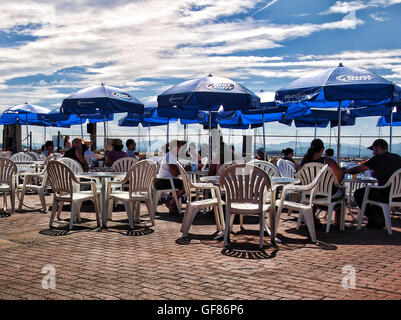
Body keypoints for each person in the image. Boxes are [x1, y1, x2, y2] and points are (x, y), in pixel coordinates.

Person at [346, 139, 401, 229]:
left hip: (385, 194)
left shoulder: (377, 159)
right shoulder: (398, 157)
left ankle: (376, 219)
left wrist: (346, 170)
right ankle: (377, 220)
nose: (373, 153)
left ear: (378, 147)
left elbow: (358, 170)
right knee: (374, 193)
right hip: (398, 195)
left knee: (359, 193)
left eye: (373, 150)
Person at [297, 139, 346, 227]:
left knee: (315, 192)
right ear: (322, 149)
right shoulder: (327, 161)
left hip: (309, 195)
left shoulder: (304, 163)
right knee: (342, 193)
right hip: (328, 195)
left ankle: (312, 220)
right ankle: (339, 223)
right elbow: (340, 173)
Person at [154, 140, 186, 214]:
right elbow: (174, 173)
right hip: (164, 182)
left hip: (160, 180)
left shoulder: (169, 155)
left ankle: (173, 204)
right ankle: (171, 203)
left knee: (181, 183)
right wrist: (183, 170)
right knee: (186, 185)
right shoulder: (171, 155)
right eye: (180, 147)